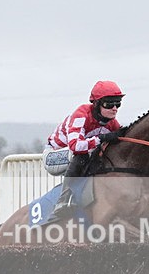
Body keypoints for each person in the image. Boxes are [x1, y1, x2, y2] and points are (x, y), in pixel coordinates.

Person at [43, 80, 124, 222]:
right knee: (82, 155)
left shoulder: (112, 122)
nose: (114, 108)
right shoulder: (81, 115)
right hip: (53, 156)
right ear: (97, 104)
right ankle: (63, 200)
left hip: (75, 155)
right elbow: (75, 146)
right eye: (109, 104)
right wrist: (101, 138)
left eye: (118, 104)